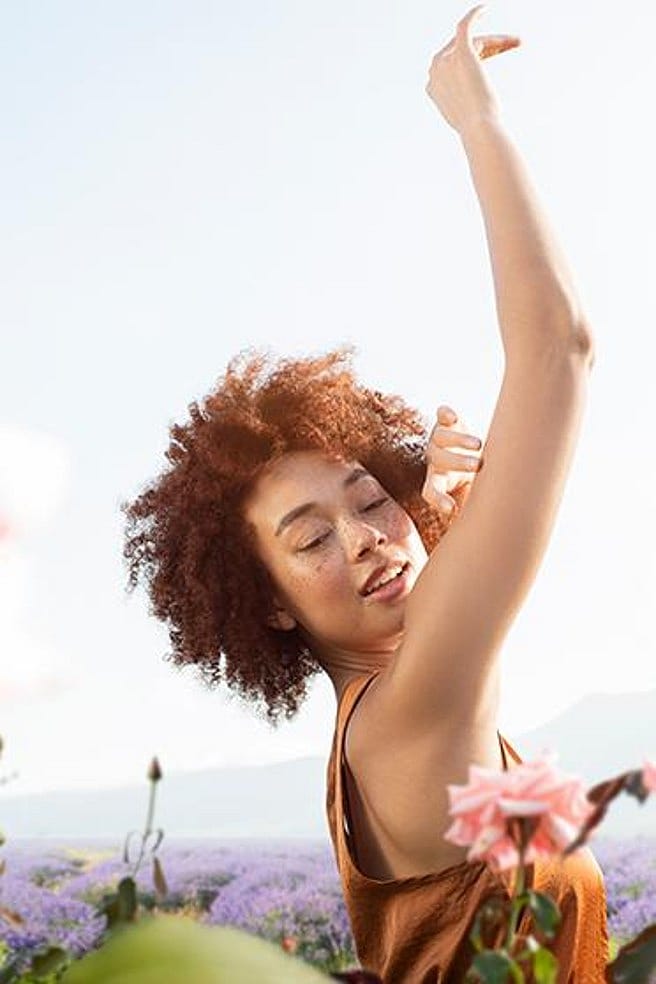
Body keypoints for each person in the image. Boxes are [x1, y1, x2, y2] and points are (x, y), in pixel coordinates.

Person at [121, 6, 609, 981]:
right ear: (265, 601)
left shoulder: (379, 726)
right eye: (308, 541)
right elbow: (558, 352)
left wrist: (428, 508)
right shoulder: (413, 707)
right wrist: (476, 119)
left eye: (369, 499)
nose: (366, 539)